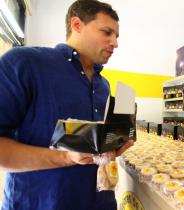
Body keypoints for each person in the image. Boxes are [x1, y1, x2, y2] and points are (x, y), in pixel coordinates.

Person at [0, 0, 133, 209]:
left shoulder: (104, 85)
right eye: (107, 32)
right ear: (77, 25)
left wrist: (112, 146)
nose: (115, 43)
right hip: (42, 203)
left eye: (116, 36)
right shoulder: (23, 63)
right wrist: (66, 157)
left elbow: (94, 146)